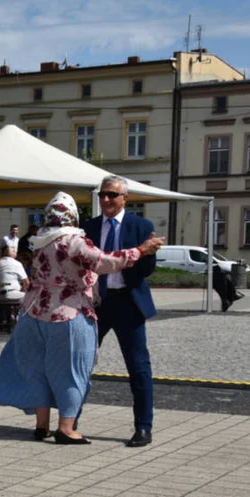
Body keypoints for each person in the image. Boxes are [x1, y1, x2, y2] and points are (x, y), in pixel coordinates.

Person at [0, 192, 163, 444]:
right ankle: (66, 429)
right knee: (71, 370)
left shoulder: (37, 242)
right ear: (72, 216)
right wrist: (140, 250)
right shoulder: (73, 241)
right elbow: (104, 262)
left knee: (39, 370)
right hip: (68, 313)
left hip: (34, 313)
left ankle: (41, 426)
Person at [83, 176, 161, 448]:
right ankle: (70, 423)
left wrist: (146, 254)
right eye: (102, 194)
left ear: (125, 198)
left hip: (129, 303)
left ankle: (143, 427)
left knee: (138, 367)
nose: (105, 200)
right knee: (81, 362)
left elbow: (146, 270)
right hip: (97, 303)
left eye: (111, 195)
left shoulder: (141, 226)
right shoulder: (88, 227)